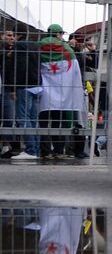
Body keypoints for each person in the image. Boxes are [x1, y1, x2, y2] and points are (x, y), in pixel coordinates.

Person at [37, 24, 85, 160]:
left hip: (44, 92)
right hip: (63, 92)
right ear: (58, 34)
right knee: (58, 122)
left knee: (43, 123)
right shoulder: (67, 48)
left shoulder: (38, 46)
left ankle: (45, 151)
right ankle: (58, 150)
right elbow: (74, 70)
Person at [1, 28, 42, 160]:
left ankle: (30, 150)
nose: (12, 38)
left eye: (13, 35)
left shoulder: (19, 45)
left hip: (24, 86)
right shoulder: (34, 45)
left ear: (16, 34)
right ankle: (36, 150)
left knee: (23, 118)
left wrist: (13, 88)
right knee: (33, 120)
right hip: (37, 85)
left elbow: (18, 67)